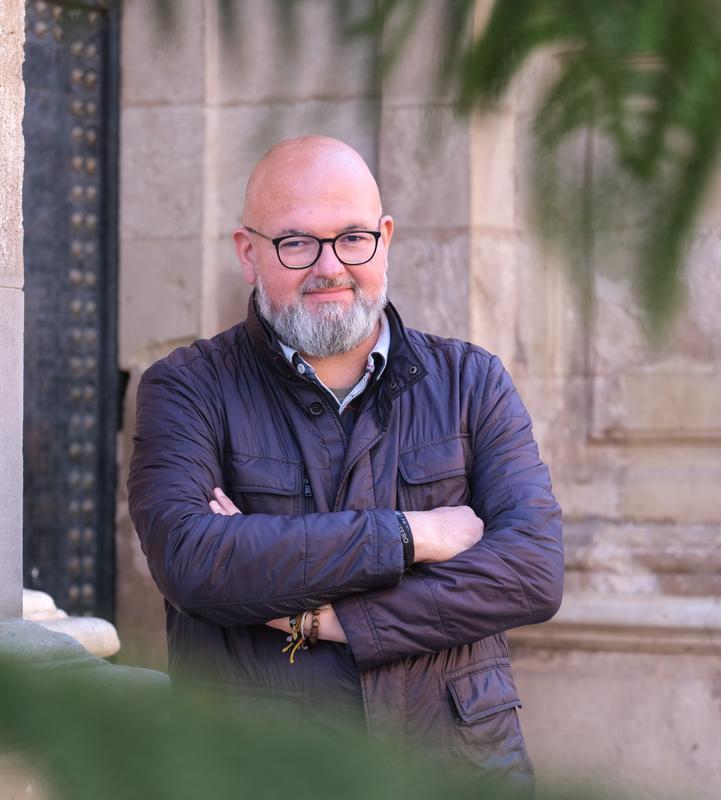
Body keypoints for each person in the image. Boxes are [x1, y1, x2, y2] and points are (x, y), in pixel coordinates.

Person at [127, 136, 564, 787]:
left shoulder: (473, 382)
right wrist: (414, 535)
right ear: (248, 252)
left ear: (384, 238)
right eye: (296, 243)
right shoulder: (188, 389)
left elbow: (531, 572)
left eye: (353, 237)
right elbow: (192, 561)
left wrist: (330, 621)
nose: (330, 266)